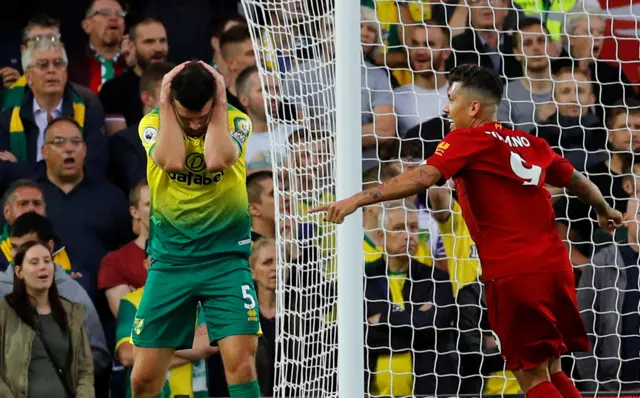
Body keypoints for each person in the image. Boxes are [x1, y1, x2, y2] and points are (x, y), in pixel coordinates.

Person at [310, 64, 624, 398]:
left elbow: (423, 177)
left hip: (514, 272)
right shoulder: (530, 142)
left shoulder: (466, 138)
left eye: (451, 98)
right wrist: (605, 209)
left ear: (473, 107)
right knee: (552, 367)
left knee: (532, 377)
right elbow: (577, 180)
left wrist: (358, 198)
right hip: (554, 269)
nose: (445, 108)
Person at [132, 60, 260, 398]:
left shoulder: (236, 120)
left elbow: (217, 159)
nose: (193, 124)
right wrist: (163, 103)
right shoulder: (152, 122)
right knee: (143, 378)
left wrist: (218, 105)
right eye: (185, 116)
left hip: (225, 262)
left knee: (241, 361)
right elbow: (172, 160)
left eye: (200, 116)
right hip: (171, 262)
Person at [0, 240, 94, 397]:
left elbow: (84, 369)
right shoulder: (5, 311)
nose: (43, 266)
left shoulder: (71, 312)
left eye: (47, 261)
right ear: (19, 272)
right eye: (34, 262)